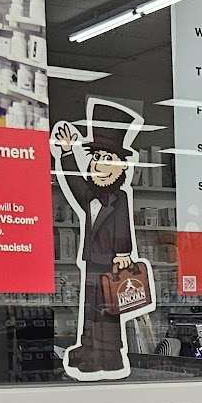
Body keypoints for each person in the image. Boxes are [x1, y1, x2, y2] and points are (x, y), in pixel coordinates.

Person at [51, 100, 153, 380]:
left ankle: (109, 358)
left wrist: (124, 252)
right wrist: (68, 152)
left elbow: (123, 227)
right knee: (90, 309)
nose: (99, 165)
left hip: (111, 263)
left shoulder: (120, 198)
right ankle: (89, 349)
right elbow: (73, 182)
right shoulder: (90, 195)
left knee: (108, 312)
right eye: (96, 158)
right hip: (92, 262)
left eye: (108, 159)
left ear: (121, 166)